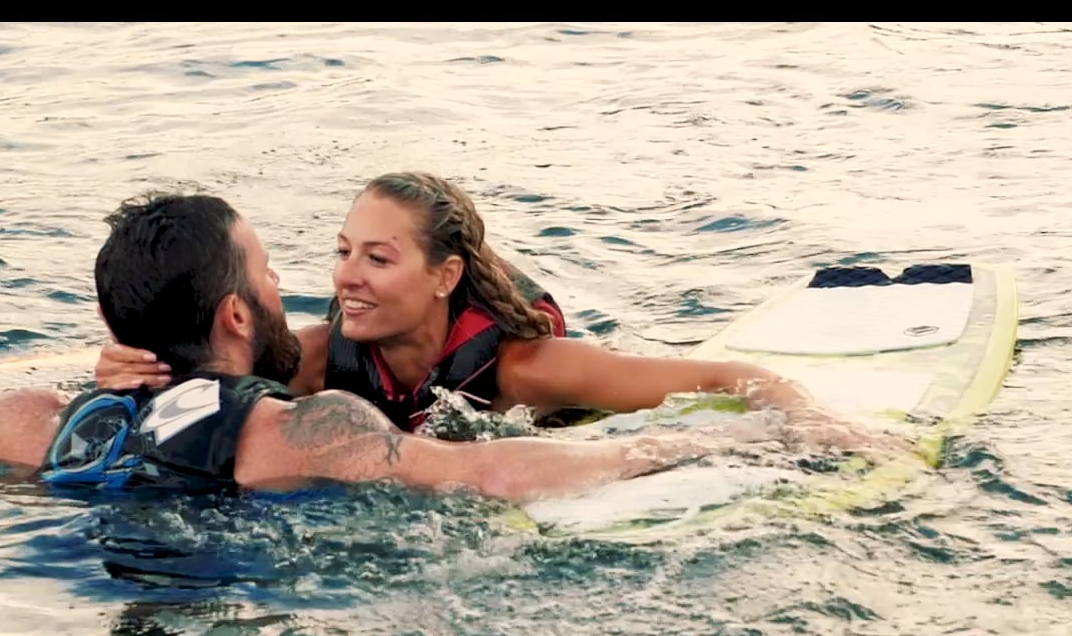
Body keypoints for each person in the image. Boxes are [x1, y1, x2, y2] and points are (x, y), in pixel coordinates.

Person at [0, 192, 895, 505]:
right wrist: (703, 453)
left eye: (375, 257)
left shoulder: (47, 423)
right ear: (235, 319)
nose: (322, 283)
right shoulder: (304, 430)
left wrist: (111, 376)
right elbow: (497, 471)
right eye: (289, 267)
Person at [94, 171, 846, 438]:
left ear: (445, 277)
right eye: (343, 249)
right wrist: (129, 374)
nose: (347, 276)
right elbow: (214, 390)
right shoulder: (326, 354)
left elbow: (725, 378)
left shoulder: (528, 370)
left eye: (379, 258)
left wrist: (816, 424)